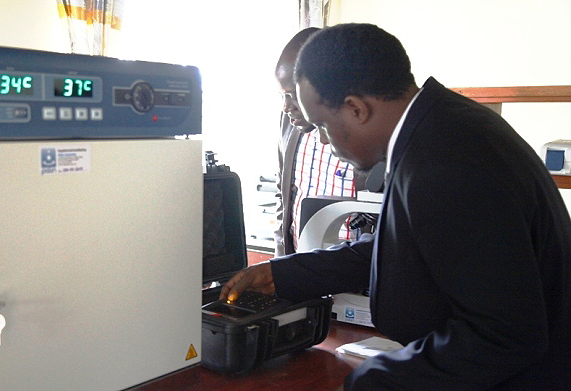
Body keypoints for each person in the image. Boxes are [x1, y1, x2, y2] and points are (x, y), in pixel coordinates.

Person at [222, 23, 571, 390]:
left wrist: (371, 381)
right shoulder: (443, 125)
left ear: (356, 109)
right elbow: (408, 247)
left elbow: (503, 337)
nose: (324, 140)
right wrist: (286, 274)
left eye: (323, 125)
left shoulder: (443, 162)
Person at [274, 27, 369, 257]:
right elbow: (283, 194)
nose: (286, 107)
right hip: (296, 268)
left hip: (353, 276)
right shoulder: (288, 123)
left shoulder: (365, 131)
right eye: (282, 96)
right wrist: (280, 260)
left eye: (293, 96)